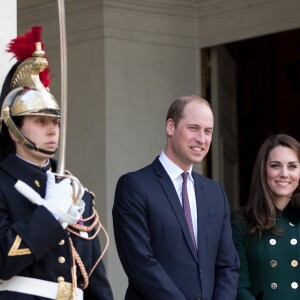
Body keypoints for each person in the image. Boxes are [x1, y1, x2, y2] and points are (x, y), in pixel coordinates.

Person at [0, 26, 114, 300]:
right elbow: (3, 260)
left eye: (56, 122)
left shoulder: (75, 191)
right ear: (13, 127)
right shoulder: (3, 183)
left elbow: (95, 278)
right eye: (40, 121)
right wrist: (50, 217)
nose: (52, 130)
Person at [113, 95, 240, 300]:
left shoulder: (216, 193)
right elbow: (140, 264)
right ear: (170, 127)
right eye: (193, 128)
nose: (202, 138)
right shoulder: (134, 186)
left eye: (208, 131)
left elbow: (228, 265)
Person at [231, 133, 300, 300]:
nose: (284, 174)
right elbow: (239, 286)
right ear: (263, 170)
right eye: (276, 165)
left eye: (292, 166)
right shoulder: (241, 221)